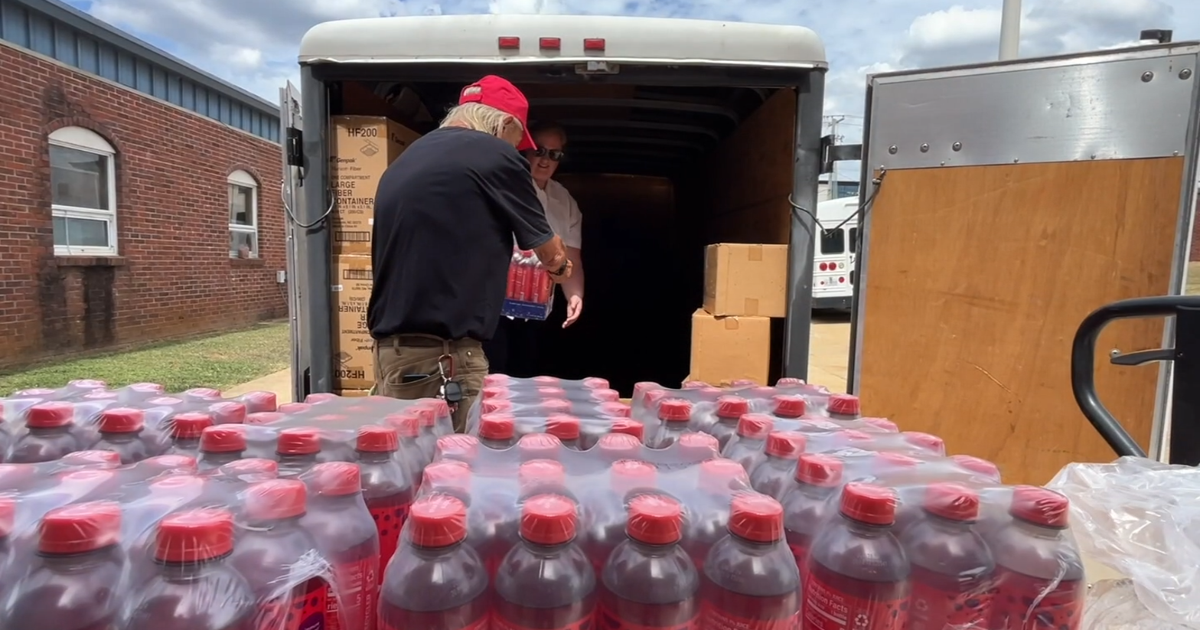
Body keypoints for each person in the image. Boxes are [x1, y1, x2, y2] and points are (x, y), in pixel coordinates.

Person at [367, 75, 572, 432]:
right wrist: (562, 269)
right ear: (504, 124)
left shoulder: (409, 157)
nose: (519, 150)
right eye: (517, 140)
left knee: (408, 467)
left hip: (393, 356)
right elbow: (548, 252)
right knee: (455, 474)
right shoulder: (494, 154)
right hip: (444, 360)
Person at [484, 122, 586, 377]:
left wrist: (574, 295)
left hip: (537, 306)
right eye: (539, 151)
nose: (545, 160)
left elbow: (572, 255)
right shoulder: (503, 186)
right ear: (525, 151)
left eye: (554, 154)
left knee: (526, 371)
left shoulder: (564, 200)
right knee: (494, 372)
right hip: (493, 303)